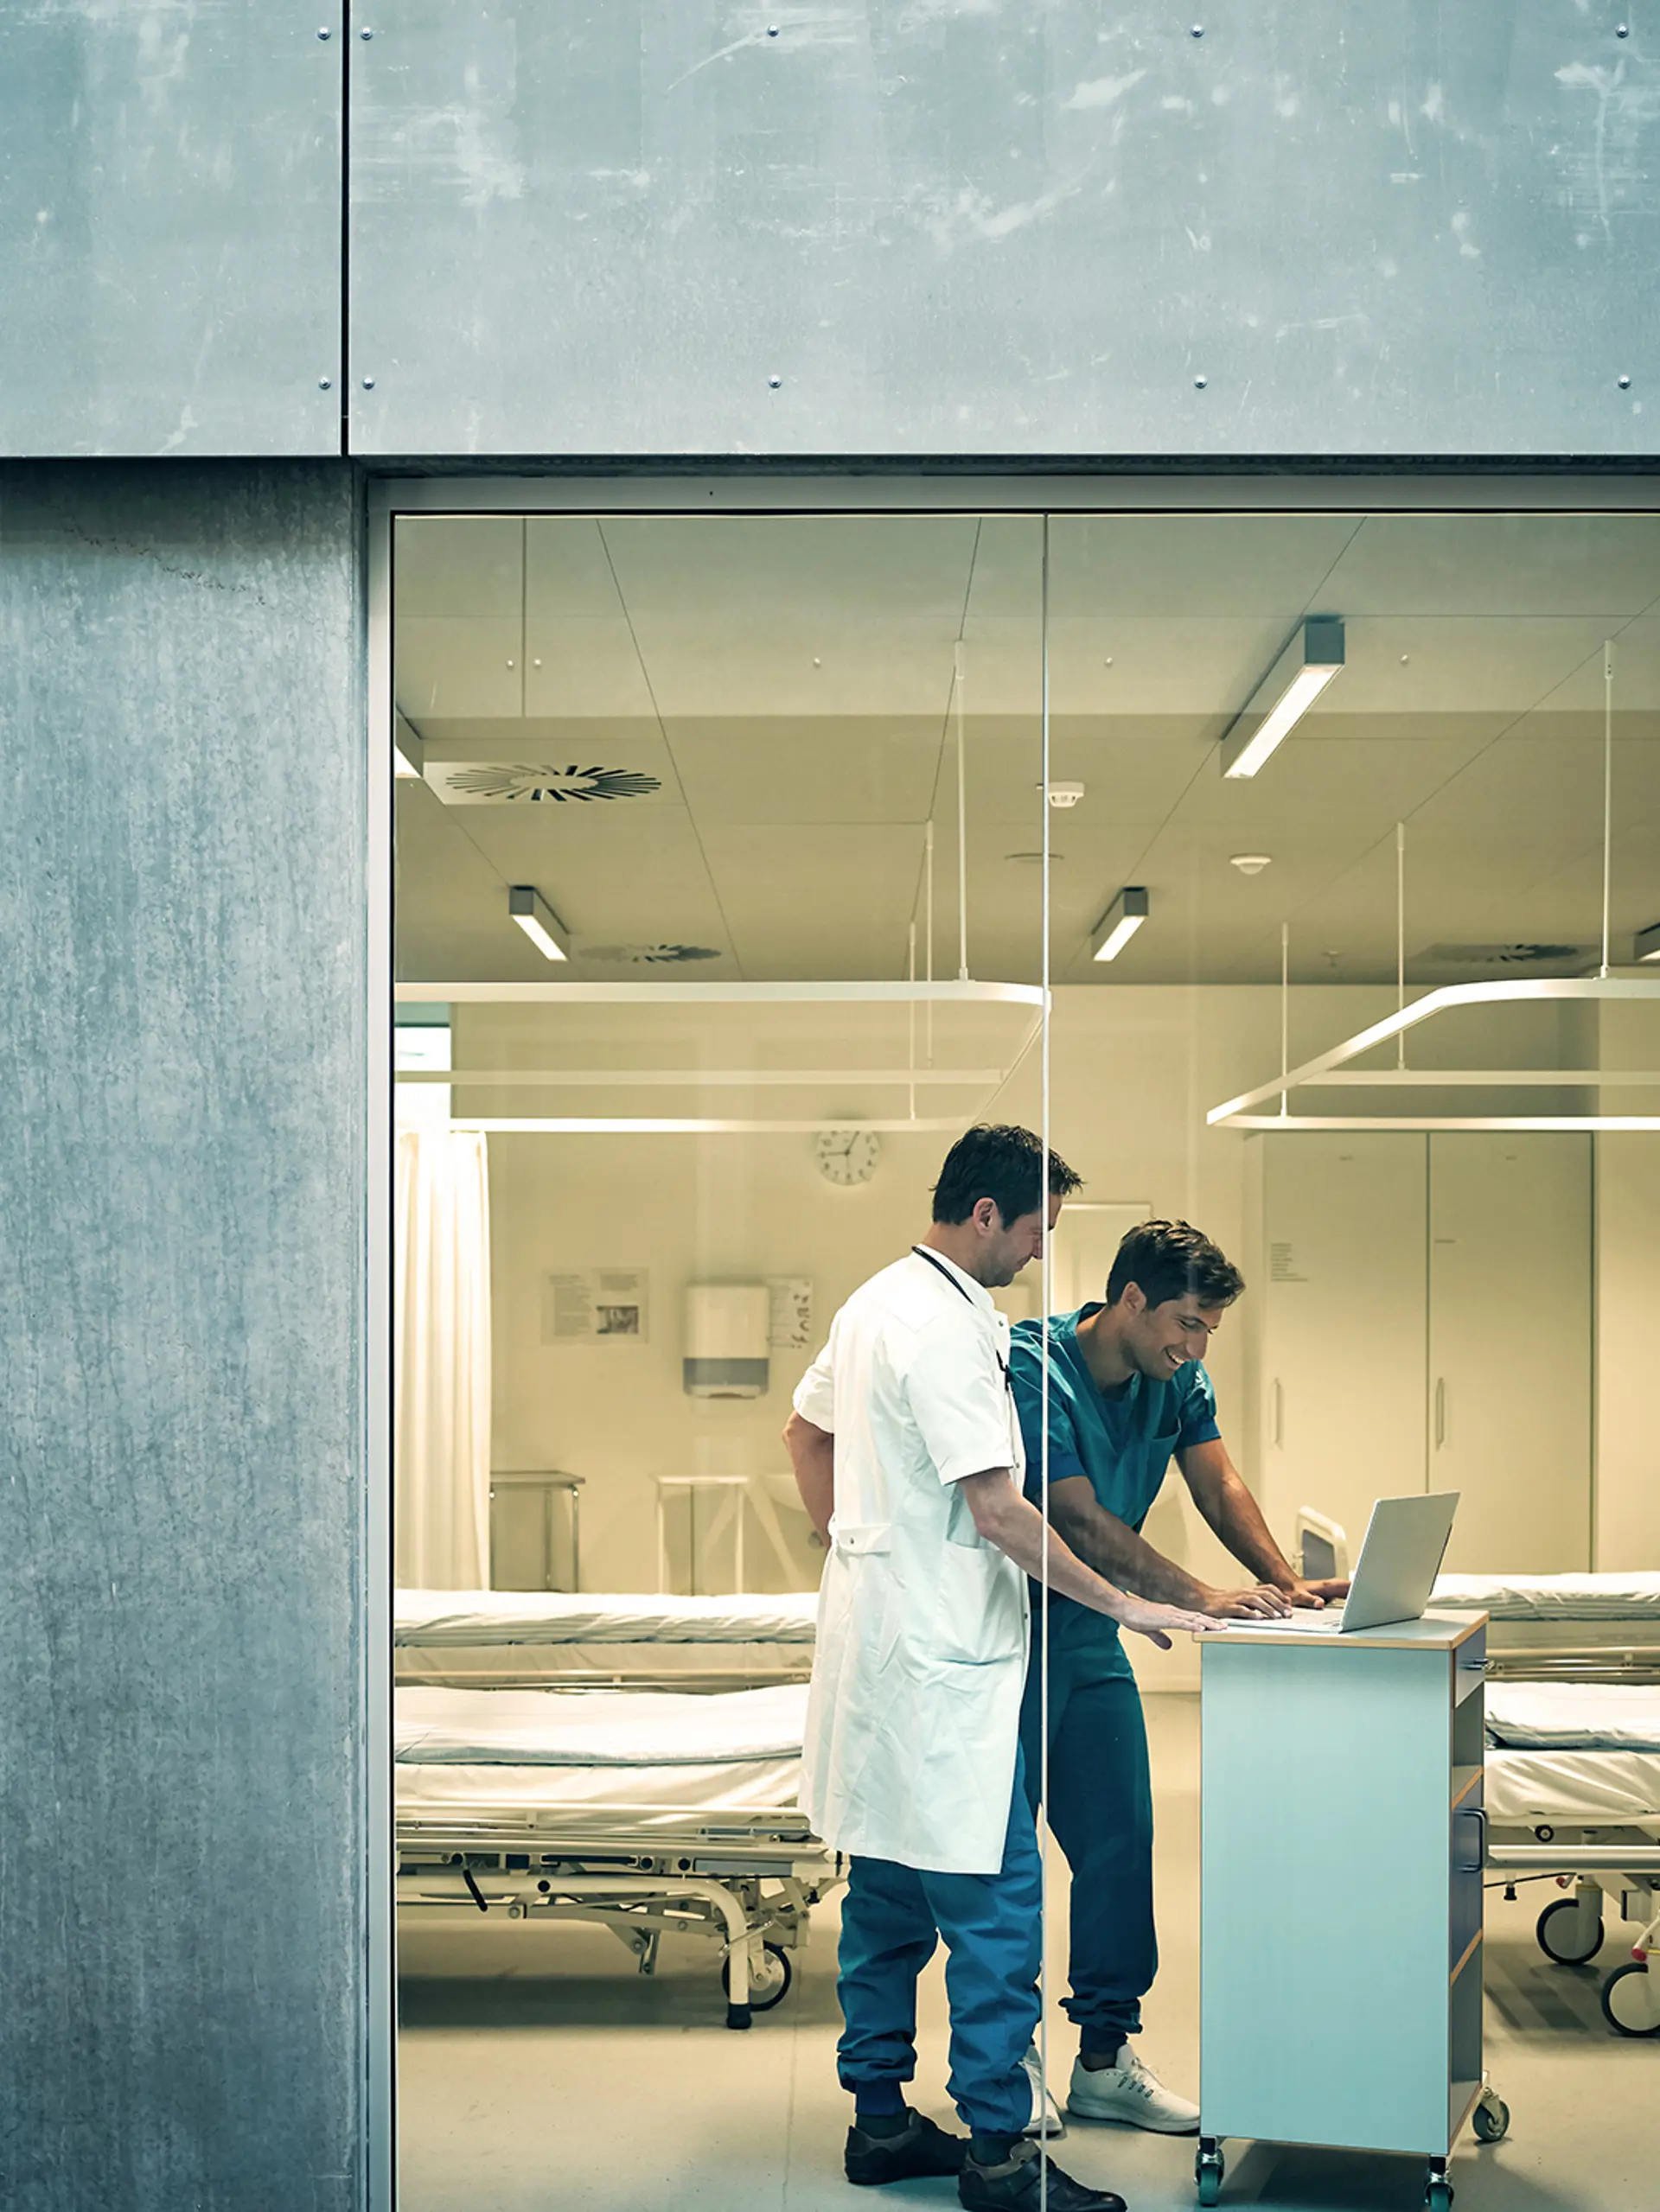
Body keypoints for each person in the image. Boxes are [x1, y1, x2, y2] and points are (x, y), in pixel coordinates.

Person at [784, 1128, 1220, 2212]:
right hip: (949, 1665)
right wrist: (1126, 1602)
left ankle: (879, 2123)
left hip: (880, 1655)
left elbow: (805, 1434)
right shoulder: (946, 1329)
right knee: (993, 1909)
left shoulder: (873, 1299)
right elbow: (1000, 1511)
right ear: (989, 1215)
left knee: (884, 1892)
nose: (1037, 1255)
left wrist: (858, 1548)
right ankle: (1001, 2156)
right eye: (1037, 1232)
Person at [1007, 1219, 1350, 2136]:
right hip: (1004, 1641)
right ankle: (1007, 2065)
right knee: (1005, 1865)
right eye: (1188, 1325)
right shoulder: (1031, 1366)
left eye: (1208, 1331)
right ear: (1130, 1300)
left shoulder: (1175, 1378)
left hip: (1093, 1639)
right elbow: (1073, 1518)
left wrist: (1284, 1584)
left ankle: (1105, 2060)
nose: (1196, 1349)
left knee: (1119, 1850)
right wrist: (1199, 1595)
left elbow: (1218, 1483)